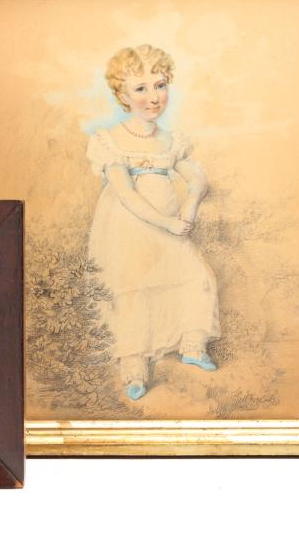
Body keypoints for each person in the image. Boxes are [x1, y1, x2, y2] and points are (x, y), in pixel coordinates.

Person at [86, 44, 221, 401]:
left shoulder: (169, 141)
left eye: (160, 85)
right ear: (122, 96)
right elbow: (126, 195)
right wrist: (166, 222)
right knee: (134, 290)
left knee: (197, 278)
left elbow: (198, 179)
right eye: (141, 89)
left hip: (169, 228)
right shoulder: (111, 141)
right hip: (129, 228)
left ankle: (192, 345)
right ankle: (134, 367)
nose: (153, 97)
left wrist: (189, 206)